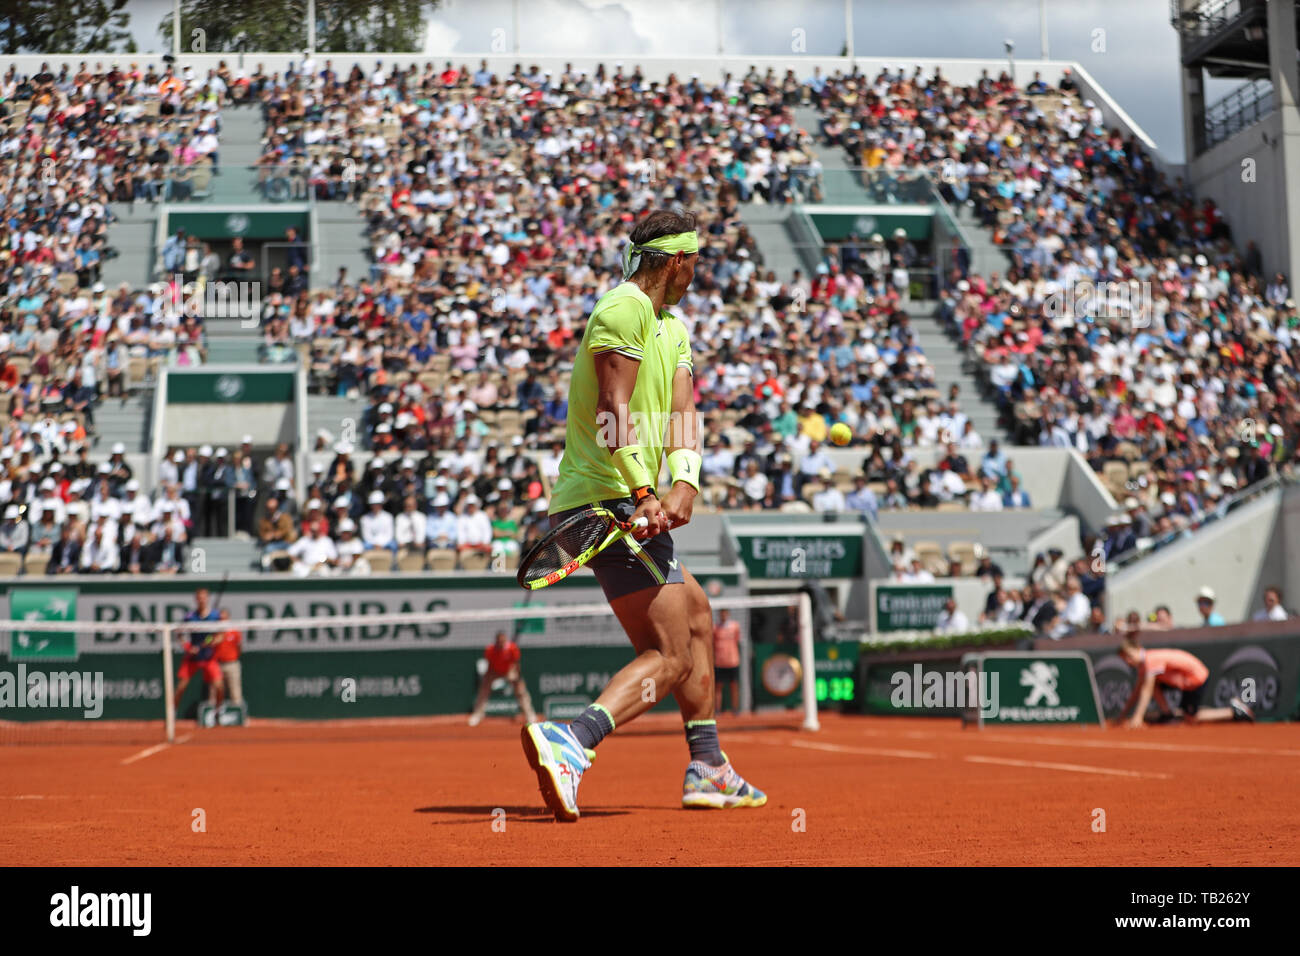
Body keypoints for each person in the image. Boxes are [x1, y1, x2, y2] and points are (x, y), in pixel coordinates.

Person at [522, 209, 765, 821]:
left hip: (637, 498)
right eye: (698, 261)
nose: (699, 271)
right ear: (679, 260)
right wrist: (644, 492)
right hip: (606, 499)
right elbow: (612, 407)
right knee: (672, 653)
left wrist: (684, 481)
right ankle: (572, 742)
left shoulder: (673, 327)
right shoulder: (622, 308)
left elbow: (684, 414)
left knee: (699, 616)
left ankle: (708, 767)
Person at [1113, 635, 1254, 727]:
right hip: (1185, 681)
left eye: (1129, 656)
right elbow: (1137, 692)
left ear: (1139, 648)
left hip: (1196, 679)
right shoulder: (1143, 667)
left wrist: (1137, 717)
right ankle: (1167, 714)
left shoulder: (1151, 660)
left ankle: (1233, 712)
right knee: (1149, 684)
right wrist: (1122, 716)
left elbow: (1146, 690)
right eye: (1125, 659)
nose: (1128, 661)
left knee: (1190, 719)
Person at [467, 631, 537, 727]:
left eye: (503, 641)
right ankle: (477, 715)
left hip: (509, 670)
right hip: (494, 671)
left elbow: (516, 663)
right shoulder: (490, 650)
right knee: (483, 691)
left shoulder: (512, 648)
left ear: (505, 640)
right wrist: (487, 679)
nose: (501, 643)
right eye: (499, 641)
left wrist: (517, 677)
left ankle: (530, 715)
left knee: (521, 691)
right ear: (496, 641)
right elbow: (490, 665)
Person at [174, 588, 222, 713]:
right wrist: (188, 647)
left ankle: (218, 712)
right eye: (199, 597)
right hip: (193, 658)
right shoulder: (190, 617)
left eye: (204, 597)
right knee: (180, 687)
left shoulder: (215, 616)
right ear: (196, 599)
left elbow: (220, 635)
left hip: (208, 656)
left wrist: (212, 642)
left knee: (219, 686)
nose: (202, 600)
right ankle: (172, 713)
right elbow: (179, 634)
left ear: (207, 599)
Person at [712, 608, 742, 716]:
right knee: (718, 686)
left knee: (734, 686)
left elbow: (738, 640)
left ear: (728, 614)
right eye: (721, 614)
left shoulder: (735, 626)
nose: (723, 615)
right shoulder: (715, 628)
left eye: (725, 613)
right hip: (719, 662)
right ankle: (717, 709)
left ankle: (735, 709)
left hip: (733, 661)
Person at [213, 608, 243, 709]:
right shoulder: (213, 631)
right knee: (214, 691)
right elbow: (207, 642)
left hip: (232, 664)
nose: (222, 620)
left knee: (235, 691)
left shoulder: (235, 631)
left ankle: (238, 715)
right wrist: (213, 639)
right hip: (217, 664)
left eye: (224, 618)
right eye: (220, 618)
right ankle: (212, 715)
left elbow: (239, 646)